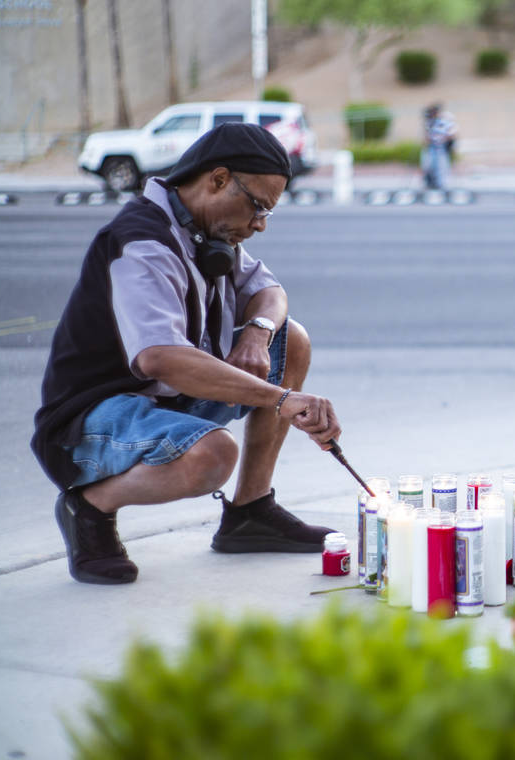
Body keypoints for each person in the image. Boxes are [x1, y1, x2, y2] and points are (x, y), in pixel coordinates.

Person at [32, 123, 342, 585]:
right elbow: (161, 358)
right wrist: (280, 398)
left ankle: (250, 513)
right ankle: (89, 508)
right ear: (217, 180)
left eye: (267, 214)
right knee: (213, 456)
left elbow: (271, 293)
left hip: (166, 401)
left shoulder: (208, 232)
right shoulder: (142, 242)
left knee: (289, 338)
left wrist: (256, 335)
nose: (258, 224)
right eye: (257, 206)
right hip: (95, 421)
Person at [421, 103, 458, 190]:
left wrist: (443, 140)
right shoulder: (430, 123)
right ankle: (431, 182)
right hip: (431, 148)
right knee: (429, 165)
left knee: (442, 167)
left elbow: (451, 134)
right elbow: (426, 137)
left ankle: (441, 183)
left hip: (441, 148)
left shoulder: (443, 122)